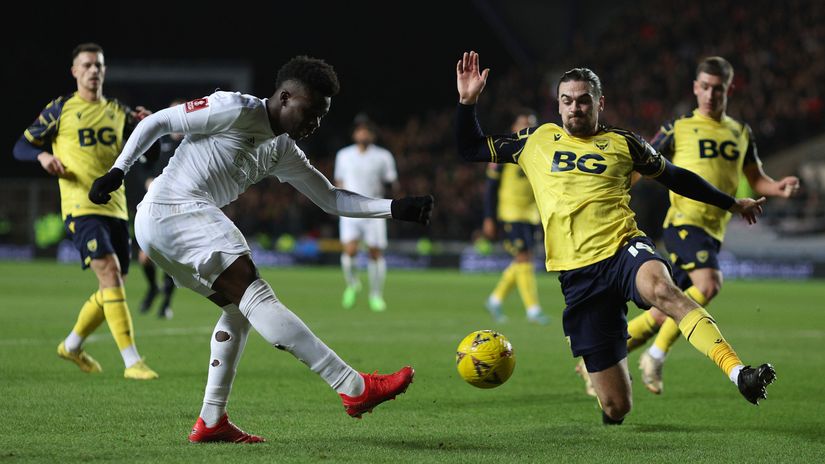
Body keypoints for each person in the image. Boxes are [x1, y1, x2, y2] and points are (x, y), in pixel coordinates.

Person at [88, 55, 433, 442]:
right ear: (285, 97)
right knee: (256, 293)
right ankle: (353, 387)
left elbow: (331, 198)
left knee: (238, 311)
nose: (315, 122)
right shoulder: (234, 108)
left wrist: (393, 208)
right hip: (175, 209)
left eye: (322, 115)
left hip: (167, 226)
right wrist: (118, 170)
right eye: (311, 110)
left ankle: (211, 420)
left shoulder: (282, 150)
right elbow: (159, 122)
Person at [455, 51, 775, 424]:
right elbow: (470, 148)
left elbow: (677, 177)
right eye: (567, 100)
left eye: (583, 100)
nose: (575, 107)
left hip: (625, 249)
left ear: (599, 102)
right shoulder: (536, 140)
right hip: (578, 276)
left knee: (665, 291)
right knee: (616, 406)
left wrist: (732, 202)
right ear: (558, 105)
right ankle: (610, 391)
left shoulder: (626, 143)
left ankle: (740, 373)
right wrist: (467, 103)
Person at [625, 57, 800, 395]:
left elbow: (755, 178)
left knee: (668, 309)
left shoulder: (740, 132)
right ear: (695, 88)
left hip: (713, 231)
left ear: (729, 90)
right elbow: (641, 165)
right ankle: (656, 357)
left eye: (717, 88)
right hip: (683, 224)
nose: (710, 94)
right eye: (704, 87)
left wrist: (777, 188)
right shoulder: (677, 127)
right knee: (708, 284)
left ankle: (599, 360)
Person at [13, 42, 158, 380]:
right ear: (75, 71)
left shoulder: (119, 112)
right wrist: (42, 156)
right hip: (80, 205)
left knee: (115, 283)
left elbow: (147, 157)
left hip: (117, 207)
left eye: (99, 65)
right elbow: (21, 145)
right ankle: (132, 361)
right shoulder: (61, 109)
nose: (94, 70)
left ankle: (72, 345)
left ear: (104, 72)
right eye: (88, 65)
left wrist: (148, 129)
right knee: (109, 273)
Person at [482, 109, 549, 325]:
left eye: (530, 124)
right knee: (523, 258)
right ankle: (533, 309)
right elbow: (490, 188)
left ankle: (495, 299)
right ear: (513, 128)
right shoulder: (502, 150)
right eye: (522, 124)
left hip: (531, 215)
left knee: (522, 260)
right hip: (511, 213)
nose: (526, 128)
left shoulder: (540, 152)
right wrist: (489, 217)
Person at [334, 115, 399, 312]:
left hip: (374, 210)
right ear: (355, 134)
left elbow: (392, 182)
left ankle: (376, 295)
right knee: (350, 251)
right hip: (350, 209)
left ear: (372, 135)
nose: (363, 134)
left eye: (366, 131)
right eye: (360, 130)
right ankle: (352, 285)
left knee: (375, 253)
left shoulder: (383, 156)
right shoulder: (343, 155)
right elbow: (339, 181)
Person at [131, 98, 186, 320]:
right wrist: (148, 181)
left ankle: (165, 303)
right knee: (144, 258)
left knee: (171, 260)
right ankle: (153, 288)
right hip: (153, 207)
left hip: (179, 209)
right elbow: (142, 166)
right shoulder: (159, 141)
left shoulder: (192, 142)